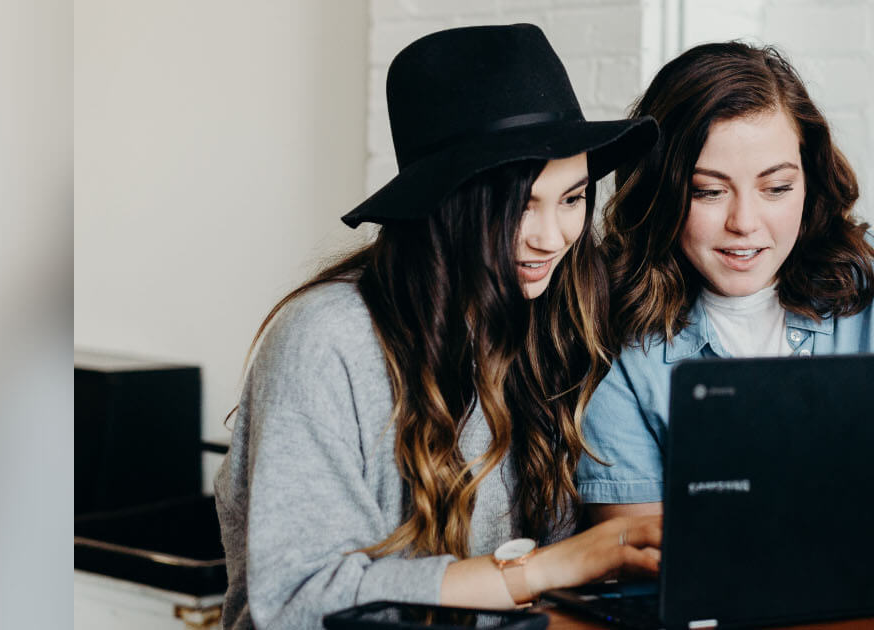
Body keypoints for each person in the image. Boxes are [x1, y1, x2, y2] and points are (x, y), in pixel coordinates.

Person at [213, 24, 662, 629]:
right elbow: (298, 599)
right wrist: (545, 569)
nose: (551, 238)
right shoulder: (327, 340)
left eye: (573, 198)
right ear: (446, 203)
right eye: (520, 205)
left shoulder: (549, 322)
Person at [580, 42, 874, 542]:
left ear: (809, 182)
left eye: (776, 188)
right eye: (708, 191)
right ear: (659, 191)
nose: (744, 223)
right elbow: (635, 546)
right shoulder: (612, 323)